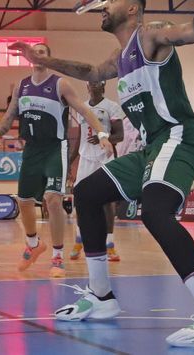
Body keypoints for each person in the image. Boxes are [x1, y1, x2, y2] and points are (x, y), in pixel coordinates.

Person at [28, 0, 194, 348]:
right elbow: (91, 73)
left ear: (132, 8)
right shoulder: (120, 56)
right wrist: (46, 62)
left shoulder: (151, 34)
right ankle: (101, 297)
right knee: (86, 193)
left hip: (178, 137)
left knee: (156, 213)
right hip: (151, 147)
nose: (103, 4)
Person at [0, 48, 109, 279]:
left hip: (55, 148)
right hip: (31, 150)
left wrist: (102, 134)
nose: (38, 55)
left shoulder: (59, 84)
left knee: (53, 199)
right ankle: (33, 244)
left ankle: (57, 256)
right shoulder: (21, 85)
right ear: (29, 58)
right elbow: (10, 113)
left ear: (47, 58)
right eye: (35, 52)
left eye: (42, 52)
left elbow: (83, 110)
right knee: (23, 201)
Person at [66, 80, 126, 263]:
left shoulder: (112, 107)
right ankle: (79, 240)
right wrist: (70, 162)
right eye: (90, 84)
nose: (93, 87)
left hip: (105, 157)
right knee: (80, 199)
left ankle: (109, 245)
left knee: (107, 202)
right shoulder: (81, 107)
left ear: (103, 87)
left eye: (97, 84)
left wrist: (103, 137)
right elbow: (80, 138)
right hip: (85, 159)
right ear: (87, 87)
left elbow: (120, 135)